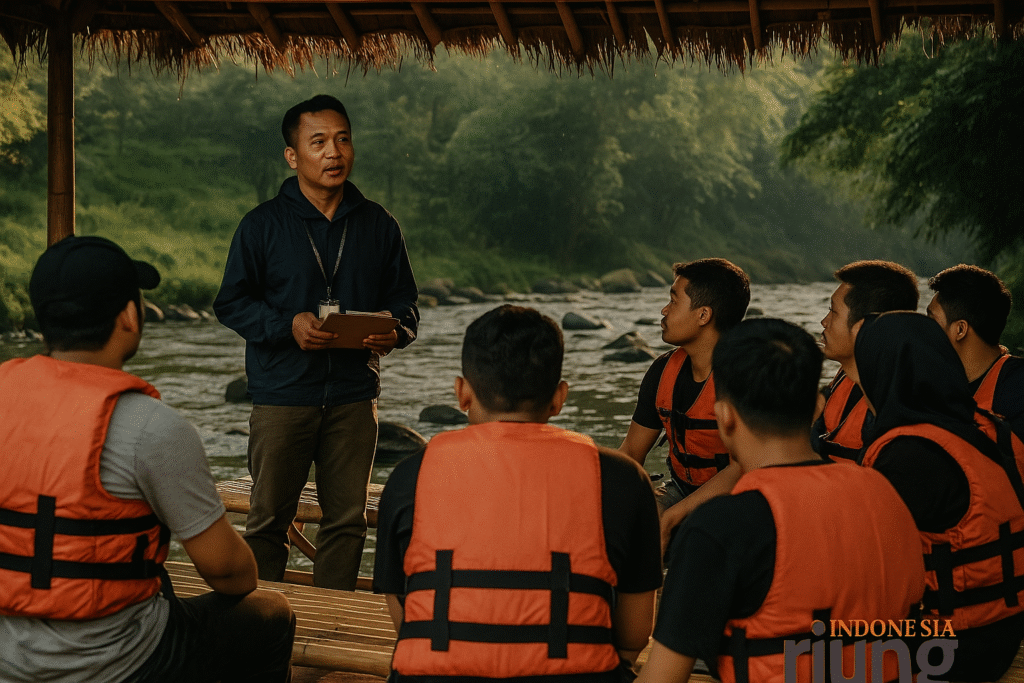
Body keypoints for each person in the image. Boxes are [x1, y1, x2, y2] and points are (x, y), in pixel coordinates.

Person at [0, 236, 295, 683]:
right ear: (129, 315)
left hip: (8, 654)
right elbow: (230, 574)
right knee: (271, 613)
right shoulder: (151, 427)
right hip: (120, 662)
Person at [374, 305, 662, 682]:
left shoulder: (409, 476)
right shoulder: (622, 478)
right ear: (559, 398)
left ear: (462, 394)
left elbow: (405, 618)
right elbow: (634, 633)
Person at [638, 318, 925, 683]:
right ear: (818, 408)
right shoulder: (884, 492)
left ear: (724, 416)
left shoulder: (719, 527)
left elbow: (661, 679)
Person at [213, 94, 419, 589]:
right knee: (267, 522)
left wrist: (394, 332)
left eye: (343, 140)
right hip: (282, 396)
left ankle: (331, 627)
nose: (334, 152)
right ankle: (260, 627)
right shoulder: (262, 225)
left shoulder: (378, 224)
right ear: (293, 155)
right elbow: (231, 303)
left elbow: (407, 306)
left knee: (346, 523)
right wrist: (288, 325)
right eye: (319, 142)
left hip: (354, 396)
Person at [856, 312, 1024, 681]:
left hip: (948, 644)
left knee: (790, 646)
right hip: (1002, 626)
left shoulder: (909, 455)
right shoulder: (981, 426)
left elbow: (865, 570)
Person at [619, 258, 750, 547]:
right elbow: (631, 451)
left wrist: (674, 516)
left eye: (673, 301)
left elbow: (744, 466)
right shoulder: (662, 370)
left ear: (703, 315)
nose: (664, 311)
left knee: (697, 535)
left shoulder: (742, 375)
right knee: (627, 524)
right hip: (681, 488)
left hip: (740, 497)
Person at [813, 260, 919, 462]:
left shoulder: (900, 406)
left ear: (861, 328)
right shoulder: (848, 375)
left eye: (833, 311)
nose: (824, 321)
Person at [927, 264, 1024, 438]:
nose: (923, 330)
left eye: (931, 320)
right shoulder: (938, 384)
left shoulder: (1017, 391)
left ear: (960, 330)